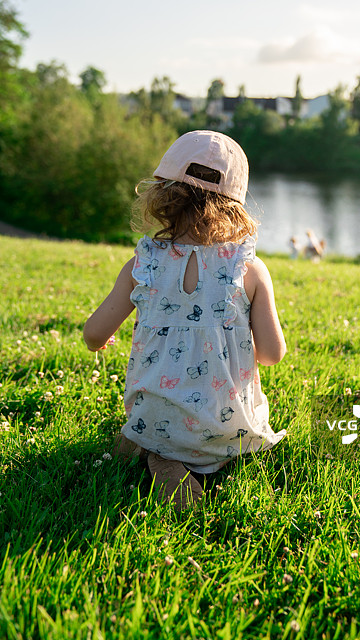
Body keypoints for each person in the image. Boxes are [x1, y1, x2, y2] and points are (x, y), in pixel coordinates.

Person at [83, 130, 287, 512]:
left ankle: (158, 452)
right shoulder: (249, 268)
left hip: (152, 420)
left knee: (149, 427)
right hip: (231, 431)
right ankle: (196, 455)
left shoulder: (143, 263)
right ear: (236, 205)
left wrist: (100, 341)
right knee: (232, 433)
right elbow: (272, 354)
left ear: (162, 194)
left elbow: (93, 334)